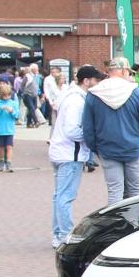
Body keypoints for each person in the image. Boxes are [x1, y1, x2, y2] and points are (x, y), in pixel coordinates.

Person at [81, 56, 139, 201]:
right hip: (134, 148)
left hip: (107, 149)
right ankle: (135, 223)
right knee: (136, 190)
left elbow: (88, 127)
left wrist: (96, 148)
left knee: (114, 191)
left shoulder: (94, 93)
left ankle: (115, 223)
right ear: (123, 71)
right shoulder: (135, 92)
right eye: (129, 72)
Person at [48, 65, 100, 248]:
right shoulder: (77, 101)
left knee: (59, 195)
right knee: (65, 196)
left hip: (62, 151)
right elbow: (72, 130)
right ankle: (64, 234)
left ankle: (58, 233)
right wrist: (90, 136)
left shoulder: (69, 96)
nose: (97, 84)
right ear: (86, 81)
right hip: (70, 153)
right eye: (95, 80)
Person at [0, 81, 19, 172]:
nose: (6, 98)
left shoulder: (13, 103)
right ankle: (1, 161)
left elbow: (17, 115)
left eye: (8, 95)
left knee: (9, 146)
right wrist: (0, 109)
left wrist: (12, 111)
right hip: (0, 129)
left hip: (9, 129)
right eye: (4, 96)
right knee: (1, 146)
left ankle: (9, 163)